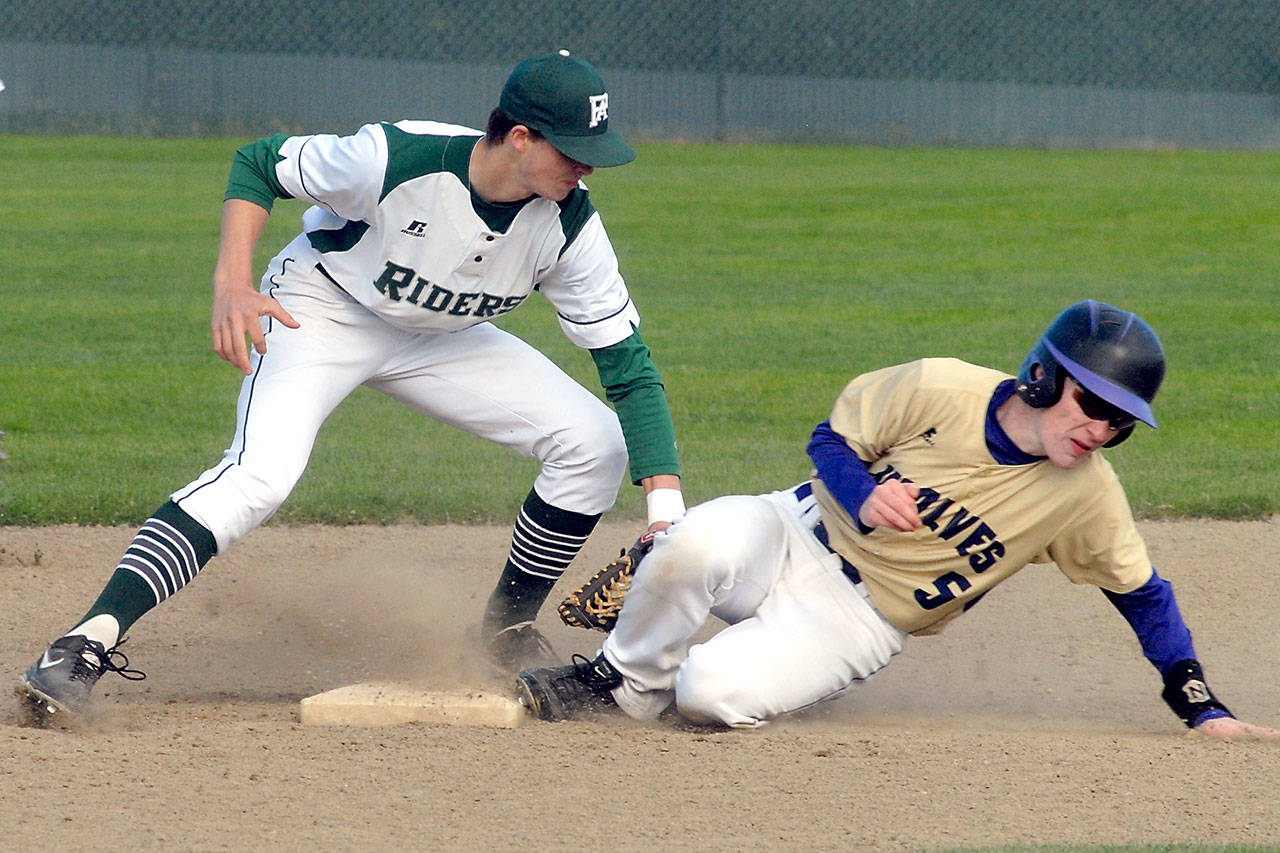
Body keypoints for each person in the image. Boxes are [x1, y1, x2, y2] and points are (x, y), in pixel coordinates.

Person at [16, 50, 684, 724]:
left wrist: (666, 514)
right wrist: (233, 284)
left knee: (594, 442)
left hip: (443, 335)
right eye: (572, 151)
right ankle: (82, 643)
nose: (587, 167)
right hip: (322, 308)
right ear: (520, 138)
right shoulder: (394, 159)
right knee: (262, 476)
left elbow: (628, 366)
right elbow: (259, 162)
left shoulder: (569, 224)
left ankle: (502, 630)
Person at [516, 300, 1278, 738]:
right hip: (793, 527)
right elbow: (830, 438)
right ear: (1043, 377)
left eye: (1122, 422)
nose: (1102, 430)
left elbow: (1143, 593)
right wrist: (857, 490)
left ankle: (695, 647)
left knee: (710, 694)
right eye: (1094, 406)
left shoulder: (1086, 494)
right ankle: (622, 673)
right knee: (691, 548)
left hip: (859, 619)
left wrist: (1196, 701)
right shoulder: (942, 386)